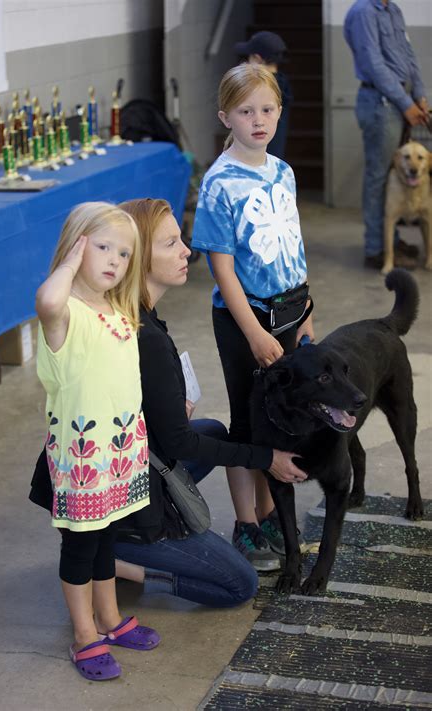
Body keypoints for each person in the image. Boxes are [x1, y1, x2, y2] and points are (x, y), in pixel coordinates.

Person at [30, 197, 308, 609]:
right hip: (103, 483)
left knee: (210, 430)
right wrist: (265, 457)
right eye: (171, 244)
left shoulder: (139, 316)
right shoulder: (142, 334)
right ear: (140, 257)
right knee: (238, 584)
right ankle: (126, 558)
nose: (187, 252)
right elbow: (179, 445)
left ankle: (111, 543)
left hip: (120, 457)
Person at [190, 63, 314, 571]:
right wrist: (254, 332)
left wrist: (306, 313)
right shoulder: (219, 183)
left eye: (267, 109)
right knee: (247, 421)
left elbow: (295, 248)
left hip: (289, 313)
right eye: (246, 111)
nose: (258, 120)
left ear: (280, 111)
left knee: (278, 419)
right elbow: (223, 273)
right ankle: (245, 522)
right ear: (226, 116)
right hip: (247, 322)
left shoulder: (282, 171)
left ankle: (268, 513)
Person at [35, 202, 159, 681]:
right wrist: (69, 262)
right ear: (76, 246)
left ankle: (109, 618)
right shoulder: (65, 313)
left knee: (107, 536)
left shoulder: (118, 308)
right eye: (101, 247)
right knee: (81, 547)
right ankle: (84, 632)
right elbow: (46, 299)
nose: (113, 260)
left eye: (123, 253)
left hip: (119, 452)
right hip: (84, 459)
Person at [344, 0, 430, 269]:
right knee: (379, 178)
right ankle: (376, 250)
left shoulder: (393, 10)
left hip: (401, 100)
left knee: (396, 175)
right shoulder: (363, 12)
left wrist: (420, 96)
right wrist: (407, 104)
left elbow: (408, 55)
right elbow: (374, 64)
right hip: (381, 104)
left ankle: (389, 240)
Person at [235, 30, 292, 160]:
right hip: (272, 158)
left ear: (257, 58)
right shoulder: (282, 84)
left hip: (258, 158)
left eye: (249, 58)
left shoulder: (260, 89)